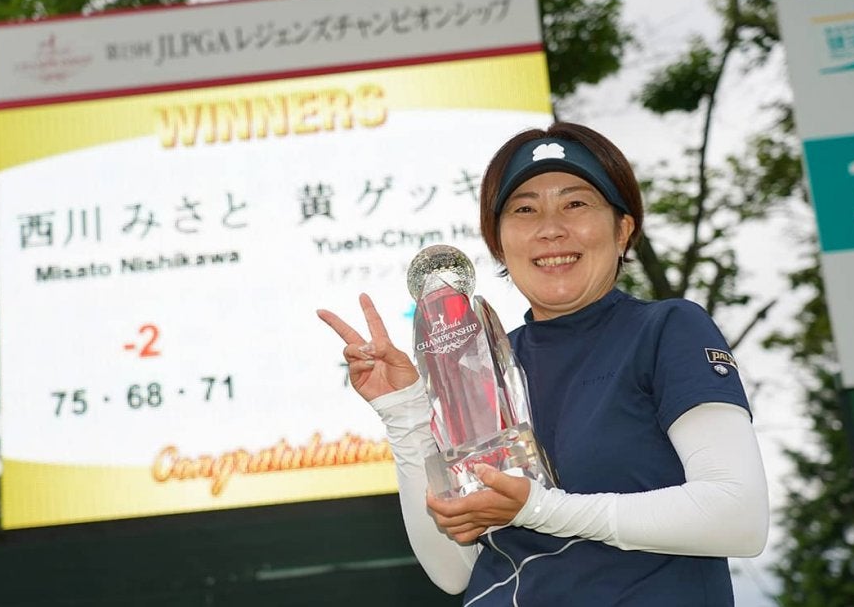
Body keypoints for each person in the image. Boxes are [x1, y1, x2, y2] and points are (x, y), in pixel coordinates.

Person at [317, 122, 769, 606]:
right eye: (524, 210)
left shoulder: (665, 330)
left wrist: (541, 509)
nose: (550, 229)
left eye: (575, 204)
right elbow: (453, 570)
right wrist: (405, 413)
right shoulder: (478, 362)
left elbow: (737, 516)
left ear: (623, 229)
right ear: (499, 244)